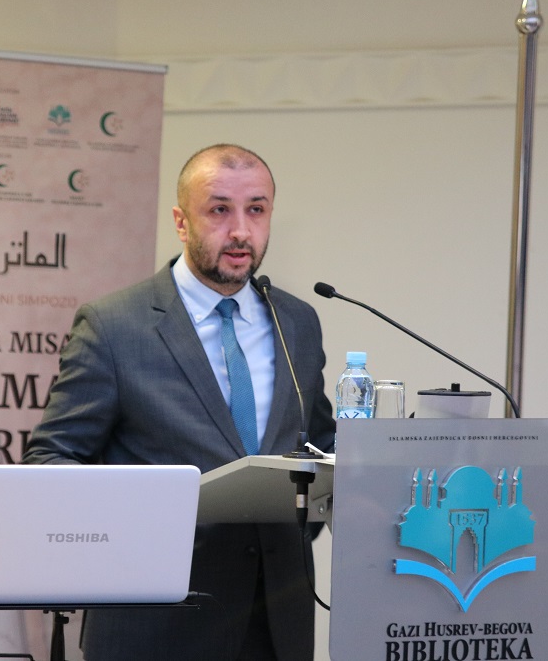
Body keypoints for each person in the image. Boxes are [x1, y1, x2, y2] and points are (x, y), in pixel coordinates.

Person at [22, 143, 335, 661]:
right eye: (219, 210)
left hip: (277, 621)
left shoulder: (297, 321)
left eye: (256, 209)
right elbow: (51, 459)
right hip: (154, 621)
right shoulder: (114, 326)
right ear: (181, 221)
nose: (241, 231)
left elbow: (318, 441)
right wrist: (145, 519)